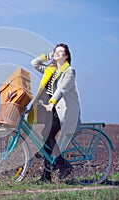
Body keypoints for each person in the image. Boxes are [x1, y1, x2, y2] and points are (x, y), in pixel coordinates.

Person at [27, 43, 81, 183]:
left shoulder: (69, 71)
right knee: (46, 138)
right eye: (56, 52)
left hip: (64, 111)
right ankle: (46, 177)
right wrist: (49, 55)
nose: (58, 54)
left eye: (61, 52)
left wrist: (52, 102)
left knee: (47, 135)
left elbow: (61, 89)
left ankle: (62, 164)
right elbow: (34, 63)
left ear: (67, 56)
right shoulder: (50, 69)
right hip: (51, 110)